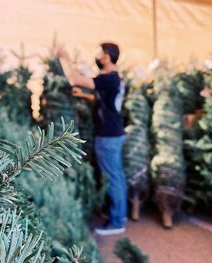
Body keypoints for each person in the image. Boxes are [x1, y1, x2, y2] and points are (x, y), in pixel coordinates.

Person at [57, 42, 127, 236]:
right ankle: (120, 214)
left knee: (113, 178)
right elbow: (105, 101)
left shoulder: (109, 78)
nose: (97, 56)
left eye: (99, 53)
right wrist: (86, 96)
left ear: (106, 57)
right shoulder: (114, 79)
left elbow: (73, 78)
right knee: (117, 176)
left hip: (108, 136)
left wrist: (65, 57)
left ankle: (116, 222)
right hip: (115, 134)